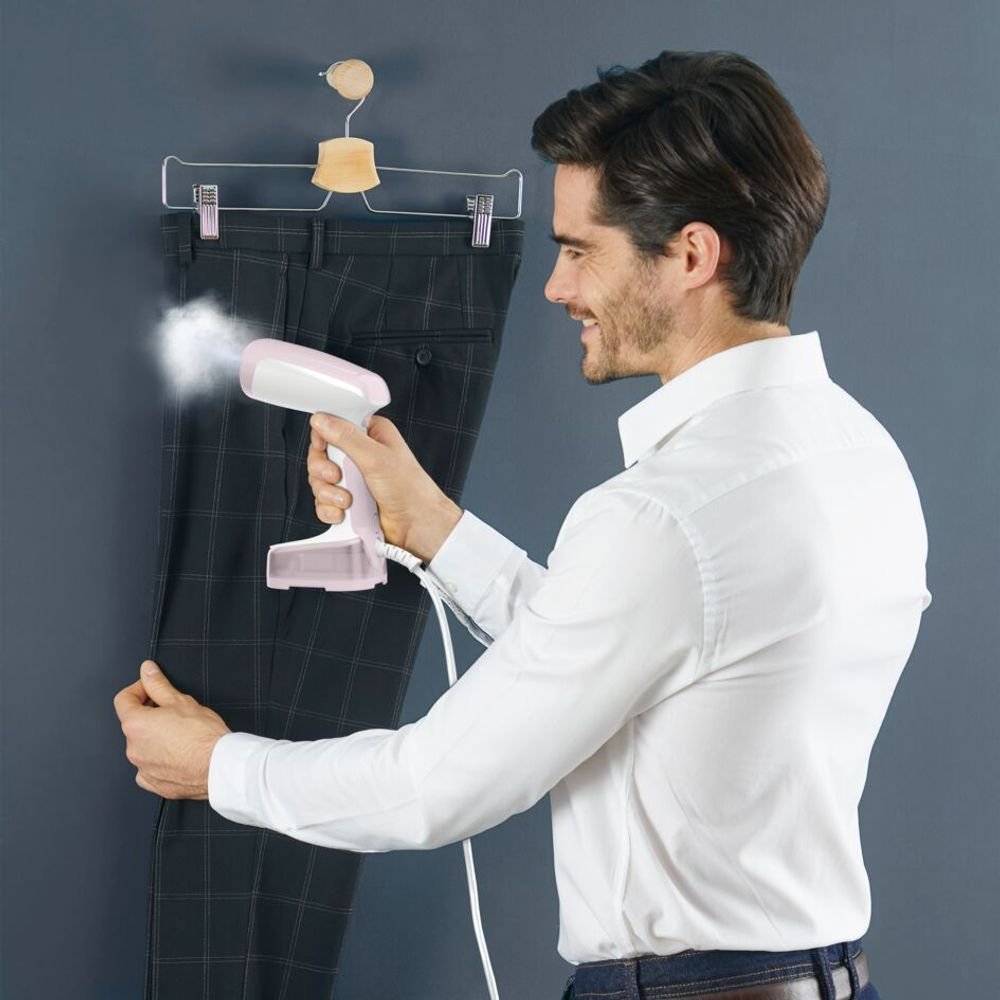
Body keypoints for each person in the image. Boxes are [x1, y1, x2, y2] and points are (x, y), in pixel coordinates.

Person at [115, 50, 931, 1000]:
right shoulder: (861, 456)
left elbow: (436, 783)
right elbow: (632, 649)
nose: (554, 286)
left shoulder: (665, 514)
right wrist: (435, 529)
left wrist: (219, 768)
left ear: (692, 256)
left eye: (581, 250)